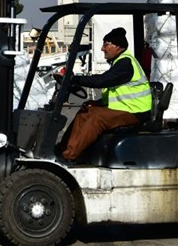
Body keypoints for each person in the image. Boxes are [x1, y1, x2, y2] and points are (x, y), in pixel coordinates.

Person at [57, 27, 152, 163]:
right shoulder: (118, 63)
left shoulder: (126, 63)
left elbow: (101, 81)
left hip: (136, 112)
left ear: (118, 46)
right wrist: (98, 103)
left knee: (98, 118)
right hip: (125, 108)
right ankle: (63, 149)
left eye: (106, 44)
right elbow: (115, 92)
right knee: (86, 110)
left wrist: (74, 79)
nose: (102, 49)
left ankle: (69, 156)